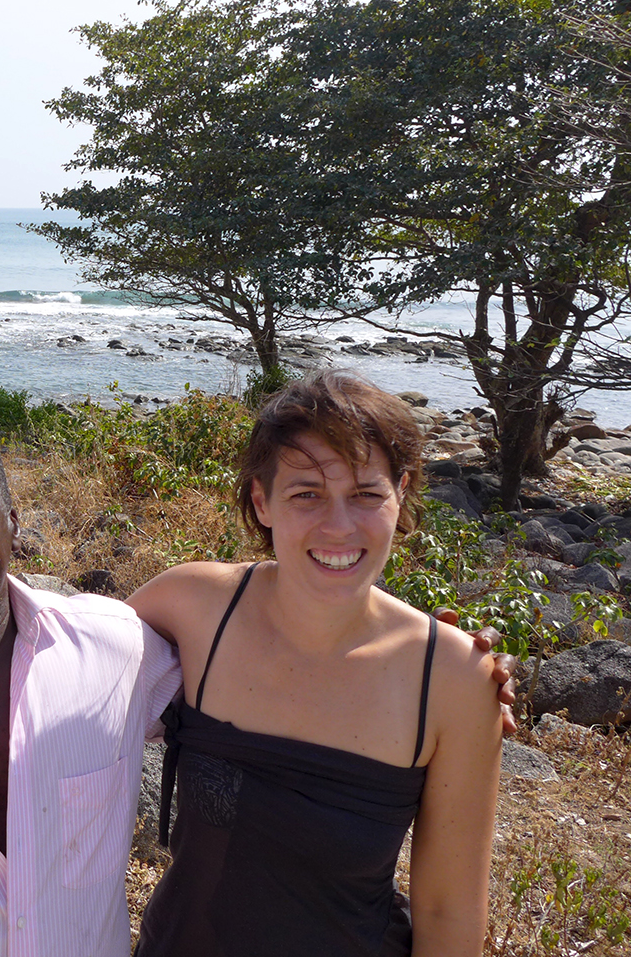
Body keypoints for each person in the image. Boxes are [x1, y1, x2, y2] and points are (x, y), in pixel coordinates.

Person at [0, 407, 509, 956]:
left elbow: (448, 910)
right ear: (261, 501)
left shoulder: (107, 648)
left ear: (12, 519)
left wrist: (450, 660)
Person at [129, 370, 502, 955]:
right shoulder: (192, 607)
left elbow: (447, 909)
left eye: (366, 494)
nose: (339, 526)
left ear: (400, 495)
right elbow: (60, 677)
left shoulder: (452, 678)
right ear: (262, 500)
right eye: (306, 493)